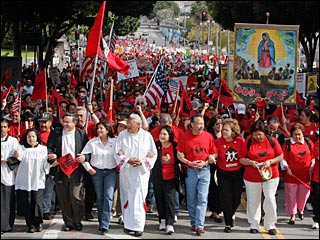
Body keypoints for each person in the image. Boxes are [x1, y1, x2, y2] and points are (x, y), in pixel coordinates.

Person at [114, 113, 157, 237]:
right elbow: (117, 152)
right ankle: (128, 224)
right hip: (126, 171)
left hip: (140, 173)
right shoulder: (122, 135)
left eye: (130, 123)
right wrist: (127, 160)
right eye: (128, 122)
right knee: (126, 196)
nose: (127, 125)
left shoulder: (146, 136)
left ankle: (138, 226)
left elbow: (153, 154)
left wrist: (142, 162)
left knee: (138, 198)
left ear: (138, 124)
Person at [239, 120, 283, 235]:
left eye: (259, 134)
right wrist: (250, 162)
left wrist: (270, 161)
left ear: (264, 133)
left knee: (270, 198)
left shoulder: (272, 141)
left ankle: (270, 224)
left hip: (270, 174)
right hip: (252, 176)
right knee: (253, 200)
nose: (257, 137)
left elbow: (280, 156)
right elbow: (241, 159)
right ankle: (254, 224)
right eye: (255, 135)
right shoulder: (248, 140)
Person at [176, 113, 218, 236]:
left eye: (202, 124)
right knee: (191, 198)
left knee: (203, 197)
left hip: (205, 170)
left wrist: (208, 159)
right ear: (192, 124)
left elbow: (214, 153)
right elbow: (179, 153)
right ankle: (193, 221)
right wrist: (189, 162)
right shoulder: (185, 137)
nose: (201, 126)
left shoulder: (209, 137)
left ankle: (200, 225)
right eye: (198, 123)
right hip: (191, 171)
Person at [47, 112, 89, 232]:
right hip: (61, 170)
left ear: (74, 123)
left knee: (76, 196)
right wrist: (53, 156)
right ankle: (69, 222)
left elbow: (88, 151)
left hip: (76, 170)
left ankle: (77, 221)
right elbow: (49, 147)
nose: (65, 124)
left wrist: (84, 157)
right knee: (64, 197)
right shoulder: (56, 133)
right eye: (64, 121)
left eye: (68, 122)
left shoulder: (81, 134)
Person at [78, 121, 117, 235]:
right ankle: (101, 222)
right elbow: (82, 156)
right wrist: (88, 168)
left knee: (109, 196)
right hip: (97, 172)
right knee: (100, 197)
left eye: (102, 128)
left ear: (108, 130)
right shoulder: (92, 142)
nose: (99, 130)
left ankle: (105, 223)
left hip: (111, 171)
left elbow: (120, 154)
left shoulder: (115, 141)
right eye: (98, 128)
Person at [15, 128, 49, 233]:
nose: (31, 139)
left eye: (33, 136)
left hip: (37, 180)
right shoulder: (21, 148)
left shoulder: (43, 149)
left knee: (37, 202)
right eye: (29, 137)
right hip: (24, 180)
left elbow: (45, 165)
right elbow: (18, 160)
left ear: (37, 137)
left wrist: (50, 162)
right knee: (27, 202)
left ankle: (38, 222)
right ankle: (30, 224)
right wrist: (16, 155)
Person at [280, 123, 314, 225]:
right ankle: (293, 215)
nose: (297, 137)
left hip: (305, 175)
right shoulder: (287, 144)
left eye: (299, 134)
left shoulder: (308, 142)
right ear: (291, 135)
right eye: (295, 134)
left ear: (303, 134)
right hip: (291, 175)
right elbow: (283, 158)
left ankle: (301, 209)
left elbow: (313, 156)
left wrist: (312, 166)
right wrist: (286, 168)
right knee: (291, 196)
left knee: (304, 195)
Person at [215, 118, 245, 233]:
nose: (223, 132)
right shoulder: (218, 142)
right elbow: (215, 153)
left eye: (226, 130)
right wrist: (212, 156)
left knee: (236, 198)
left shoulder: (240, 141)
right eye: (223, 130)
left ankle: (231, 212)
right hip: (223, 173)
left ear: (233, 131)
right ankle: (228, 223)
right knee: (226, 198)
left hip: (237, 173)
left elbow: (242, 157)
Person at [151, 125, 180, 234]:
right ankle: (162, 220)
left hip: (171, 177)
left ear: (170, 135)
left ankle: (170, 223)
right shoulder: (155, 146)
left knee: (170, 201)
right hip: (158, 177)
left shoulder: (175, 146)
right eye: (161, 134)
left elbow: (180, 157)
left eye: (164, 134)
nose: (162, 136)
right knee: (159, 199)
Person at [1, 118, 22, 234]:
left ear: (9, 128)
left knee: (7, 202)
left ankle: (6, 225)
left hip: (7, 174)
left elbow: (18, 157)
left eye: (4, 127)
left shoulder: (13, 141)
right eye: (1, 127)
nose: (2, 129)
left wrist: (6, 160)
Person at [206, 114, 223, 222]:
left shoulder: (226, 135)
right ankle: (214, 211)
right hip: (212, 165)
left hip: (224, 165)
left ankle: (221, 209)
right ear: (212, 125)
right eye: (217, 124)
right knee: (213, 188)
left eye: (221, 123)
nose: (220, 126)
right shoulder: (209, 136)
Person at [311, 128, 319, 229]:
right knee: (318, 198)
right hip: (318, 177)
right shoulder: (318, 143)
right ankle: (317, 219)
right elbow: (316, 155)